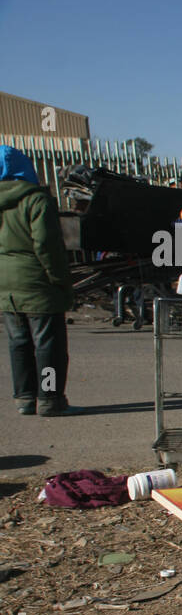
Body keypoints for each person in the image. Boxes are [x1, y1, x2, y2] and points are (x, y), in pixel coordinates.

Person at [1, 145, 76, 416]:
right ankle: (49, 398)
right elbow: (47, 245)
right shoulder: (35, 200)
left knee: (18, 342)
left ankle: (24, 398)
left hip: (5, 285)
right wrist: (59, 280)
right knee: (48, 344)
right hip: (36, 282)